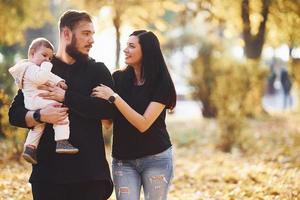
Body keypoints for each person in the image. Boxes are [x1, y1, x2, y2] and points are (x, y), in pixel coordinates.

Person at [9, 10, 114, 200]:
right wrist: (39, 115)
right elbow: (15, 113)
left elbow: (107, 110)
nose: (91, 40)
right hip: (48, 178)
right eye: (85, 33)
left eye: (93, 34)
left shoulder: (98, 70)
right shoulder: (39, 67)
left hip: (90, 177)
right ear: (66, 33)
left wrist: (67, 97)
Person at [92, 30, 177, 200]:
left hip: (156, 158)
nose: (125, 50)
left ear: (146, 51)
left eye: (131, 46)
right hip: (123, 161)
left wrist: (114, 97)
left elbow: (143, 124)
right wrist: (95, 101)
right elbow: (108, 123)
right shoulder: (117, 79)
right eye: (126, 45)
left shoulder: (161, 82)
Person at [8, 37, 79, 165]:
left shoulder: (37, 68)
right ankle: (62, 140)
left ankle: (30, 148)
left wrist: (59, 81)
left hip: (36, 102)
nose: (47, 60)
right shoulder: (29, 68)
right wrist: (47, 66)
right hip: (35, 101)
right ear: (32, 54)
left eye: (50, 58)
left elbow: (49, 77)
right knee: (60, 111)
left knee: (38, 125)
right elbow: (41, 78)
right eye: (44, 55)